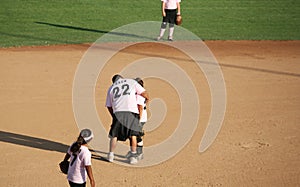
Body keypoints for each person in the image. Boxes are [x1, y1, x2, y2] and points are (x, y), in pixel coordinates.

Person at [105, 74, 149, 164]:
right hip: (132, 111)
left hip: (118, 112)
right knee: (133, 135)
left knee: (114, 135)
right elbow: (144, 94)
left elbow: (109, 106)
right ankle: (133, 156)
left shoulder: (111, 87)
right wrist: (148, 99)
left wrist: (114, 115)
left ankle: (111, 155)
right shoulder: (131, 82)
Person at [126, 77, 147, 161]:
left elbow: (140, 108)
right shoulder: (139, 93)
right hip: (138, 117)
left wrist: (138, 120)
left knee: (135, 136)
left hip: (139, 118)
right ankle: (136, 152)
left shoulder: (139, 95)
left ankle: (139, 153)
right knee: (134, 135)